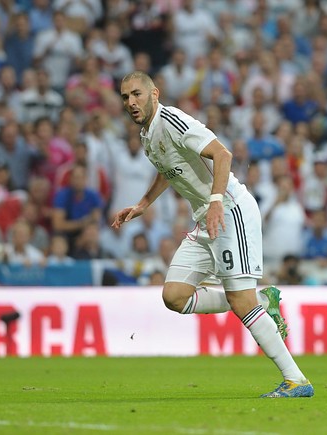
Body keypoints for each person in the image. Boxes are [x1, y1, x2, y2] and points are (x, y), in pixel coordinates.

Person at [113, 71, 313, 398]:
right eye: (125, 97)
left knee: (241, 301)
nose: (131, 102)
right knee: (174, 295)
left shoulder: (173, 120)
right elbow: (168, 170)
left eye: (136, 94)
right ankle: (263, 299)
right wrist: (144, 203)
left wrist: (217, 201)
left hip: (230, 211)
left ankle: (296, 380)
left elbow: (223, 154)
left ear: (154, 94)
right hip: (206, 218)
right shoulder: (147, 134)